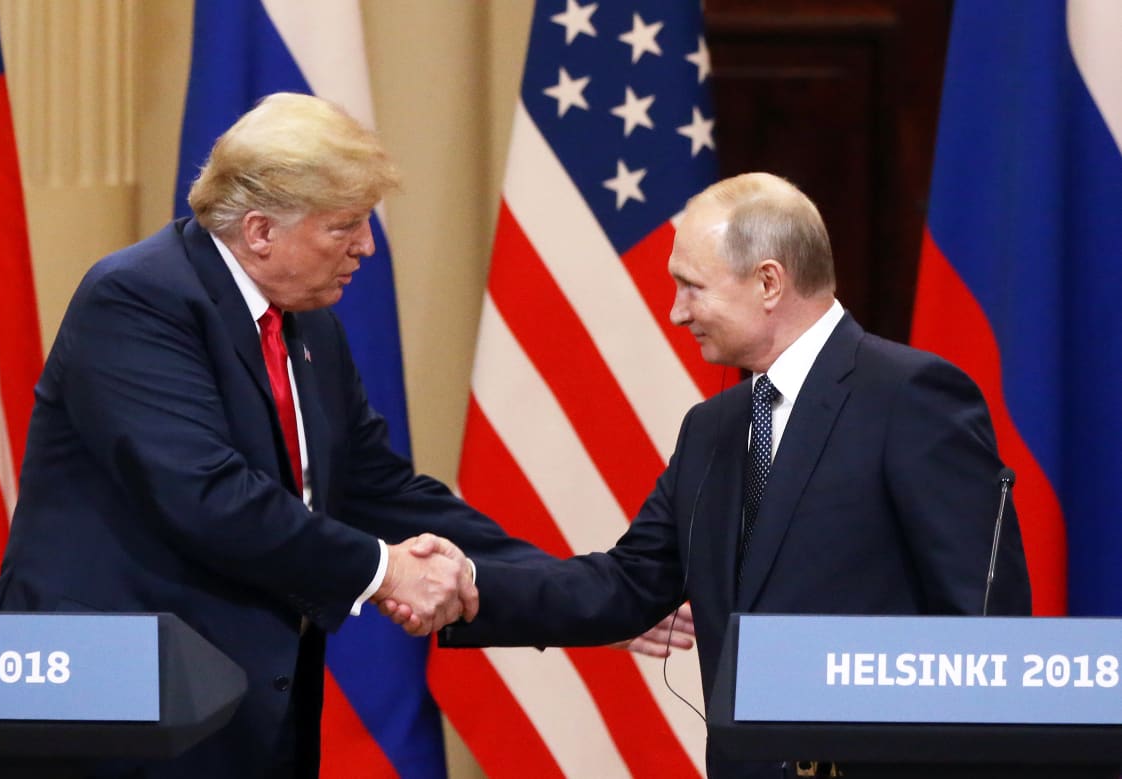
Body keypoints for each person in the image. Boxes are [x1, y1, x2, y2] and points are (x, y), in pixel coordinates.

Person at [0, 92, 557, 778]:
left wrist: (569, 589)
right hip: (113, 714)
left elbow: (379, 488)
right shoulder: (136, 298)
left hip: (247, 716)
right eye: (346, 225)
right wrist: (387, 571)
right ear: (259, 231)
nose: (367, 246)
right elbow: (209, 495)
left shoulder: (308, 323)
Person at [423, 172, 1032, 779]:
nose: (675, 311)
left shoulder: (910, 396)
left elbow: (982, 634)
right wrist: (470, 588)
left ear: (769, 281)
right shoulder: (713, 428)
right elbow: (628, 584)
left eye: (691, 287)